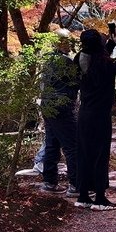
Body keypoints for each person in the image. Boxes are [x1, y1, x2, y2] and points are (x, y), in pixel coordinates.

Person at [75, 26, 116, 211]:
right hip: (100, 116)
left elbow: (98, 53)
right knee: (100, 155)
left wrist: (112, 42)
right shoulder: (104, 64)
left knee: (84, 154)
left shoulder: (79, 59)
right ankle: (99, 198)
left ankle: (83, 196)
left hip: (84, 114)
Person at [38, 28, 79, 195]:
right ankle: (76, 184)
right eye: (68, 42)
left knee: (52, 144)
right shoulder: (67, 62)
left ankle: (49, 181)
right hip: (62, 108)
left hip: (48, 106)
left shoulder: (47, 61)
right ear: (62, 43)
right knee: (72, 145)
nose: (70, 45)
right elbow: (77, 83)